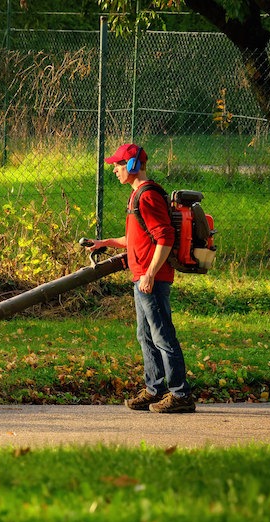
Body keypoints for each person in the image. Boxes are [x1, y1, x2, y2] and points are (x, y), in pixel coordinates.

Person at [86, 143, 195, 413]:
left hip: (152, 280)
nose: (114, 170)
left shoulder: (147, 196)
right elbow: (137, 237)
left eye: (119, 165)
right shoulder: (137, 196)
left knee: (162, 337)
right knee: (145, 336)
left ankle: (180, 394)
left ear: (133, 166)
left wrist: (150, 273)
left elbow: (165, 237)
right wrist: (105, 242)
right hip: (143, 277)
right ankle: (154, 389)